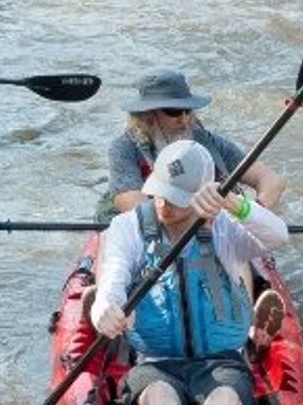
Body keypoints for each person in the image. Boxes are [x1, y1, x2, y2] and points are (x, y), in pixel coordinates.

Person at [89, 138, 289, 405]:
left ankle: (252, 328)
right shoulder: (128, 227)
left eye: (175, 198)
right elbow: (114, 277)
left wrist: (234, 204)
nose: (163, 205)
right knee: (160, 397)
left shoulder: (224, 226)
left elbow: (278, 236)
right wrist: (103, 308)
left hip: (222, 361)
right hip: (155, 362)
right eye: (161, 193)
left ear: (202, 196)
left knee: (225, 399)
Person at [107, 71, 284, 216]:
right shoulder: (124, 149)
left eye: (187, 109)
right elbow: (130, 202)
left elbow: (272, 181)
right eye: (174, 111)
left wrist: (253, 211)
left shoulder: (208, 142)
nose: (184, 118)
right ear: (148, 115)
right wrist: (193, 217)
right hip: (168, 227)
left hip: (212, 222)